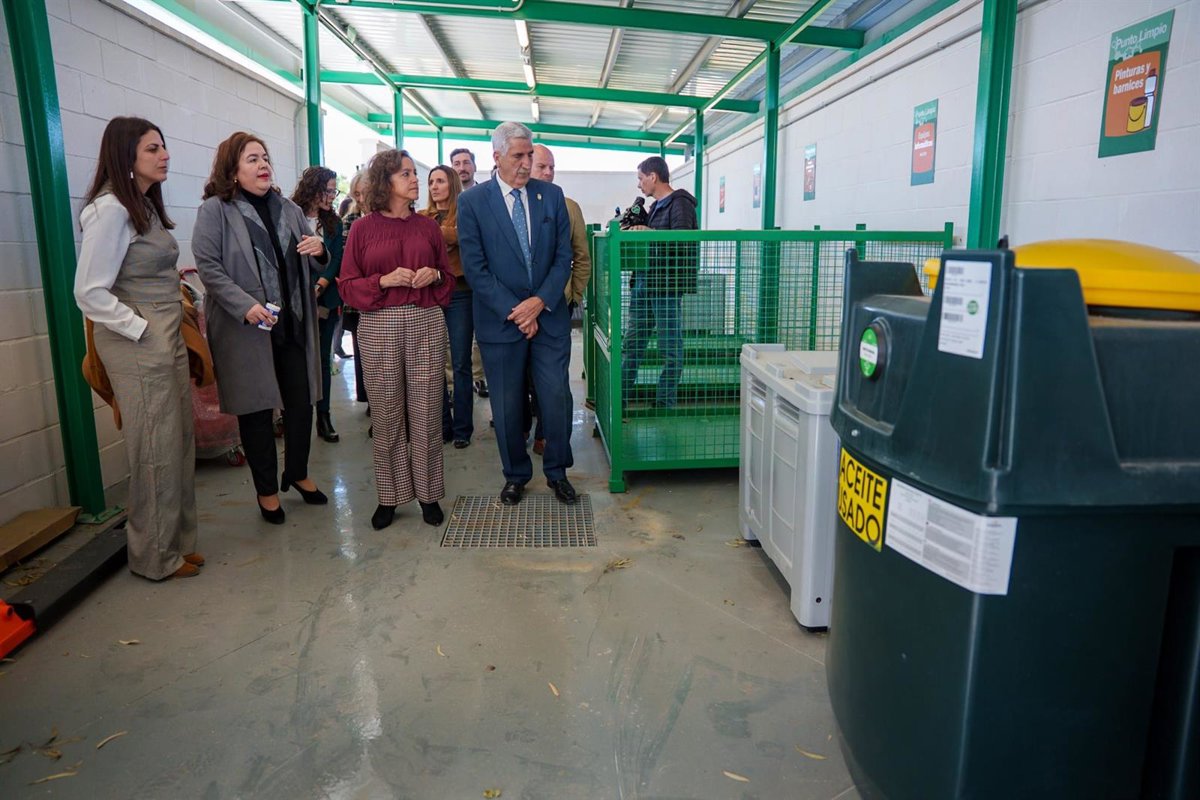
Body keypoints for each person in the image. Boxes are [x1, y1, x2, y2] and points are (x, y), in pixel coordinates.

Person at [73, 116, 201, 580]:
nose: (164, 155)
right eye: (152, 148)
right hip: (139, 339)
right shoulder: (110, 210)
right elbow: (88, 291)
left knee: (178, 440)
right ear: (125, 155)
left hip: (163, 332)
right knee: (154, 447)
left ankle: (177, 543)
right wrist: (139, 329)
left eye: (163, 146)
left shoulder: (141, 205)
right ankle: (154, 557)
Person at [192, 131, 329, 525]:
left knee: (301, 404)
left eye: (265, 157)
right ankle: (267, 491)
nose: (263, 164)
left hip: (293, 324)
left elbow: (314, 255)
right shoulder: (216, 210)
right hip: (247, 328)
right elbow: (209, 267)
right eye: (252, 159)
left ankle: (298, 473)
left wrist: (320, 250)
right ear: (232, 169)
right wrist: (245, 306)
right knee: (255, 413)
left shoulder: (289, 208)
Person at [457, 122, 577, 506]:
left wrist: (539, 302)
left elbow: (563, 257)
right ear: (497, 157)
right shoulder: (473, 202)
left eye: (529, 155)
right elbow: (475, 268)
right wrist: (518, 311)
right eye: (518, 156)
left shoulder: (551, 196)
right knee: (507, 406)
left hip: (549, 317)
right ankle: (515, 475)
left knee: (555, 398)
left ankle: (557, 472)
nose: (526, 163)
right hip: (500, 323)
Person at [338, 149, 455, 530]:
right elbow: (347, 286)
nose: (415, 179)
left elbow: (448, 279)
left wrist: (435, 276)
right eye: (406, 174)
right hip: (379, 324)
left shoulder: (427, 227)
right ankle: (389, 496)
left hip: (425, 320)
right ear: (385, 181)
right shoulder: (362, 229)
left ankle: (428, 494)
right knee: (387, 413)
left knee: (427, 410)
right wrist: (383, 281)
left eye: (414, 174)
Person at [528, 143, 591, 455]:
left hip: (556, 307)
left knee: (554, 379)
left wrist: (572, 296)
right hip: (518, 310)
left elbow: (582, 257)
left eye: (552, 167)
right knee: (524, 378)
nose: (548, 172)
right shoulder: (512, 207)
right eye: (542, 167)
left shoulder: (568, 207)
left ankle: (550, 438)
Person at [622, 156, 699, 410]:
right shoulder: (655, 207)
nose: (639, 184)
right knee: (632, 344)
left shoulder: (681, 203)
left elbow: (683, 241)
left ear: (653, 177)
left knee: (670, 347)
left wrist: (650, 233)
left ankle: (665, 402)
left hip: (666, 286)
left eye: (640, 178)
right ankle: (620, 397)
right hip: (644, 282)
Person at [421, 166, 474, 449]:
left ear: (451, 184)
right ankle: (443, 424)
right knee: (433, 363)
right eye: (431, 181)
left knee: (461, 362)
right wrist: (445, 235)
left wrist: (439, 234)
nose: (434, 186)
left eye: (440, 181)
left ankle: (463, 427)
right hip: (431, 294)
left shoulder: (465, 213)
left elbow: (466, 238)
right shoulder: (421, 216)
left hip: (461, 294)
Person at [291, 166, 344, 443]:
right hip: (294, 300)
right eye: (328, 190)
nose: (332, 196)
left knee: (323, 359)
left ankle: (324, 417)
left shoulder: (334, 223)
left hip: (325, 300)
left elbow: (335, 259)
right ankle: (294, 418)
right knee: (295, 361)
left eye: (335, 191)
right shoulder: (290, 215)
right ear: (313, 188)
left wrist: (320, 285)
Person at [450, 147, 489, 399]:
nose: (462, 167)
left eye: (466, 162)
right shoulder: (447, 198)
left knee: (482, 333)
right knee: (457, 339)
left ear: (474, 166)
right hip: (458, 281)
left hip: (483, 276)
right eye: (457, 163)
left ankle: (480, 377)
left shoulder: (485, 196)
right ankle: (457, 384)